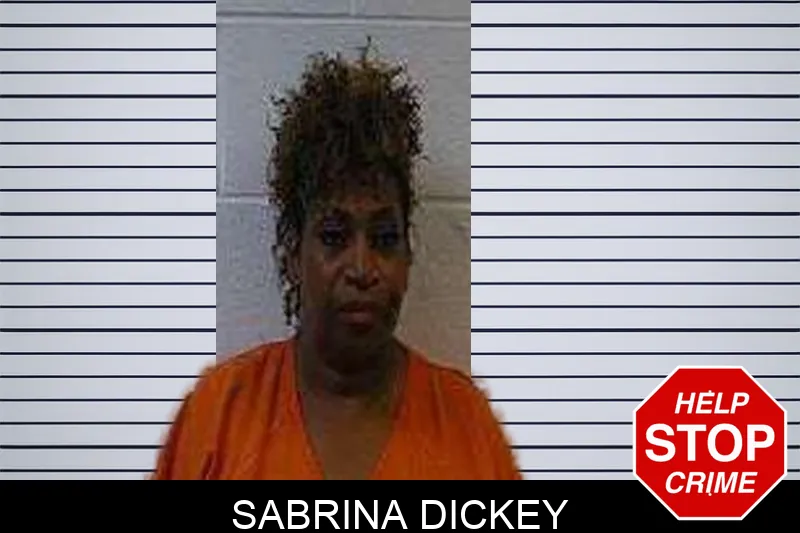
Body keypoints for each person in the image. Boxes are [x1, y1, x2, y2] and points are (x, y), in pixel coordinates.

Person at [152, 44, 521, 480]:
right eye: (333, 236)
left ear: (407, 256)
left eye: (384, 239)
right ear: (293, 253)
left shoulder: (468, 425)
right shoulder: (216, 417)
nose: (362, 268)